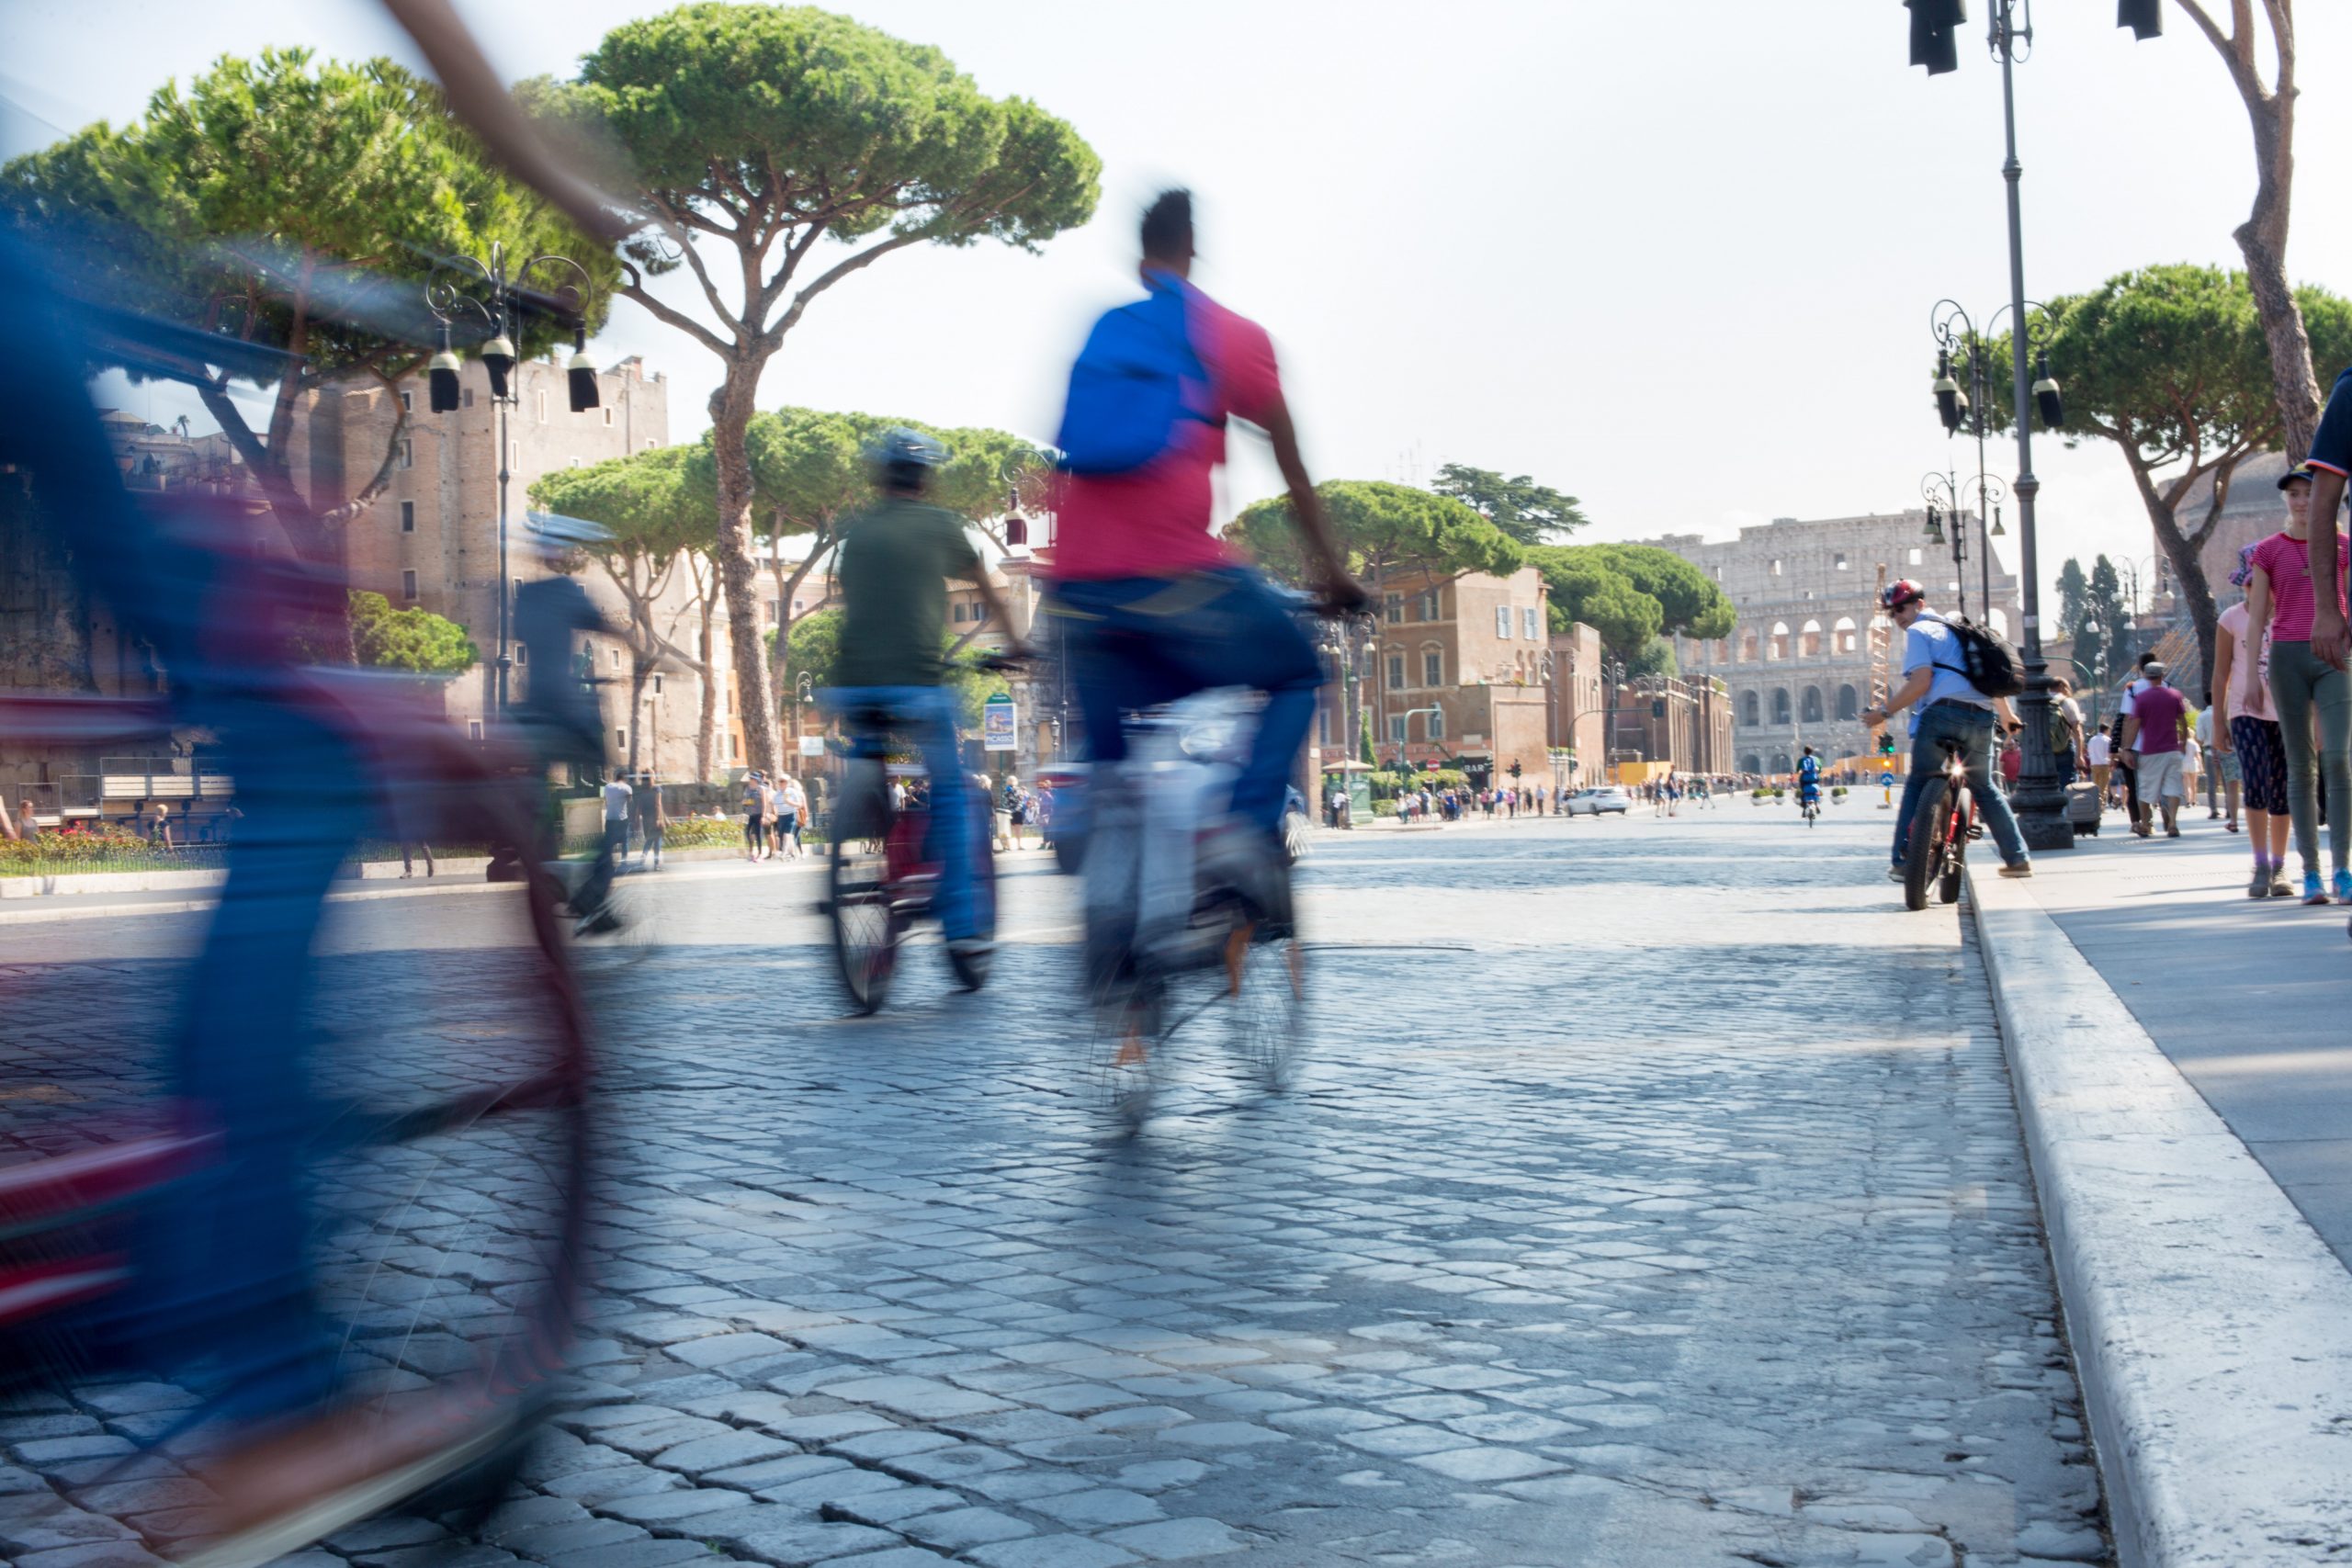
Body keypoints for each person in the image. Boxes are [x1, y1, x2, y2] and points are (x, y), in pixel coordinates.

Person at [1047, 190, 1369, 932]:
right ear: (1191, 250)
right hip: (1176, 579)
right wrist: (1333, 574)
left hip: (1078, 595)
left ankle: (1114, 958)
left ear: (1140, 257)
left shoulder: (1103, 333)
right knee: (1295, 673)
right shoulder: (1229, 335)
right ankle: (1239, 829)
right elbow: (1292, 466)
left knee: (1112, 767)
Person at [821, 428, 1028, 964]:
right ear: (925, 478)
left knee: (877, 757)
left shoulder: (858, 533)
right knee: (954, 796)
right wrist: (1015, 645)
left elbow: (851, 602)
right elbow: (984, 587)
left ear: (879, 477)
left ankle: (873, 834)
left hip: (851, 684)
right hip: (917, 683)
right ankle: (961, 926)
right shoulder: (940, 525)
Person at [1860, 579, 2032, 882]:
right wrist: (2007, 717)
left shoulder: (1918, 631)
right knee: (1985, 787)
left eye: (1902, 608)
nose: (1898, 616)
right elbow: (1986, 679)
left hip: (1941, 714)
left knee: (1917, 782)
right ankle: (2017, 858)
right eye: (1892, 612)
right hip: (1979, 715)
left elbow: (1921, 682)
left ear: (1920, 605)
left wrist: (1883, 712)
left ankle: (1902, 860)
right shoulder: (1962, 630)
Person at [2245, 461, 2352, 902]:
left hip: (2336, 656)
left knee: (2339, 762)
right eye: (2293, 495)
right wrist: (2251, 674)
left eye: (2308, 493)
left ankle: (2343, 871)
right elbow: (2256, 619)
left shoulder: (2344, 547)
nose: (2302, 501)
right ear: (2285, 501)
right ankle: (2310, 873)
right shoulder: (2268, 550)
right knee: (2300, 767)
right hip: (2287, 658)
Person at [2217, 544, 2289, 895]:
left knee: (2284, 789)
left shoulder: (2291, 617)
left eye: (2263, 583)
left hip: (2286, 711)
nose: (2256, 591)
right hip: (2245, 711)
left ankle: (2279, 867)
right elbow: (2219, 676)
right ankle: (2260, 865)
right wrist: (2218, 722)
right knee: (2256, 782)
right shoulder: (2231, 619)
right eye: (2249, 585)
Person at [2120, 661, 2190, 840]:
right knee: (2173, 787)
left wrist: (2127, 748)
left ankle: (2145, 823)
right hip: (2171, 748)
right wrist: (2184, 740)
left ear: (2145, 676)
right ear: (2162, 676)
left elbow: (2134, 725)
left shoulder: (2142, 698)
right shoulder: (2174, 695)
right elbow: (2183, 721)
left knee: (2145, 789)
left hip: (2150, 750)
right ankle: (2172, 823)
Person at [639, 773, 667, 869]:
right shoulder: (657, 789)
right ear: (652, 778)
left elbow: (639, 805)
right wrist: (659, 818)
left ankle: (644, 855)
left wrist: (637, 818)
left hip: (646, 819)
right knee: (657, 841)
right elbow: (658, 804)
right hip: (655, 818)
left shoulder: (642, 790)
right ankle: (656, 863)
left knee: (650, 839)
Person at [740, 769, 768, 861]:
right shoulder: (748, 788)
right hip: (750, 814)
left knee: (758, 833)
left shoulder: (761, 789)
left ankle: (760, 853)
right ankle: (751, 851)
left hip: (759, 814)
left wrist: (763, 816)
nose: (750, 780)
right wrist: (746, 802)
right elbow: (743, 800)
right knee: (747, 832)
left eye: (752, 778)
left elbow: (764, 803)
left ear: (756, 779)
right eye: (750, 778)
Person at [1796, 746, 1823, 817]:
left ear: (1804, 752)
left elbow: (1798, 770)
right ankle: (1816, 804)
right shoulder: (1816, 759)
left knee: (1804, 792)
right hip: (1814, 779)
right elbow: (1820, 770)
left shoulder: (1801, 760)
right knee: (1816, 790)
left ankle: (1804, 808)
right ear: (1812, 752)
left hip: (1804, 780)